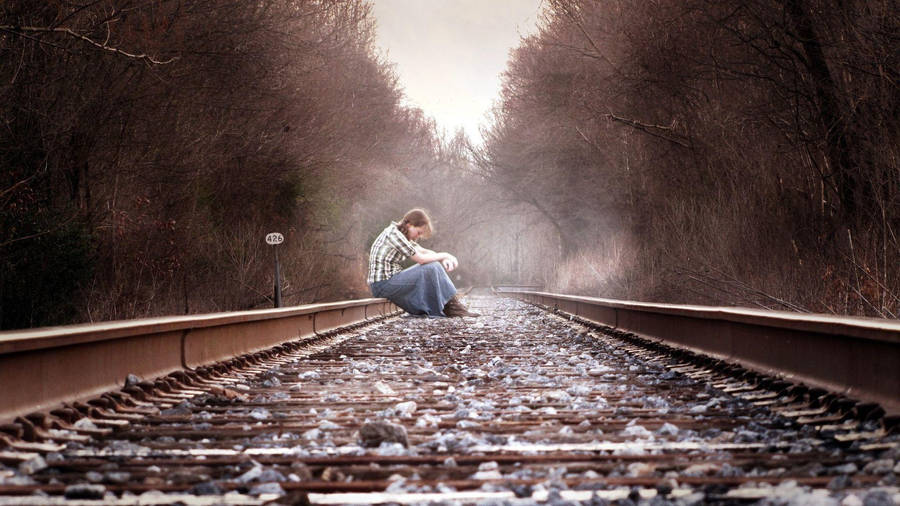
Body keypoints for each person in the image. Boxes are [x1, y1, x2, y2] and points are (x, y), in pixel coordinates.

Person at [367, 209, 478, 317]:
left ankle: (450, 305)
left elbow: (423, 251)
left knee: (433, 266)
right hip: (382, 285)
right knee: (431, 267)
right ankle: (451, 306)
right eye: (418, 232)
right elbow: (421, 259)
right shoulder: (395, 235)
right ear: (409, 224)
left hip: (389, 281)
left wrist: (444, 258)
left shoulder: (401, 234)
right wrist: (444, 255)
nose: (418, 236)